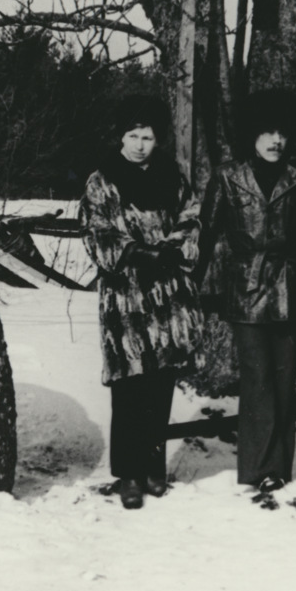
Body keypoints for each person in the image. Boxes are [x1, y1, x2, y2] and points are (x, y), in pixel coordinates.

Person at [79, 96, 205, 510]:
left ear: (157, 139)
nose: (139, 144)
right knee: (130, 386)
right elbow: (97, 231)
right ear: (121, 137)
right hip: (126, 298)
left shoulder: (174, 176)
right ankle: (128, 474)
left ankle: (155, 466)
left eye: (147, 136)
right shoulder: (103, 180)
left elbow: (192, 218)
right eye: (132, 136)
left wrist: (171, 249)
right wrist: (136, 253)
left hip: (167, 296)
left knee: (160, 383)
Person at [198, 93, 296, 494]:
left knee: (284, 379)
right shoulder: (228, 177)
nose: (275, 140)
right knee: (257, 379)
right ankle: (256, 466)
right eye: (267, 132)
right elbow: (208, 232)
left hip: (291, 288)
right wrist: (204, 289)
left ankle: (279, 467)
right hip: (245, 287)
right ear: (252, 136)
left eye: (282, 133)